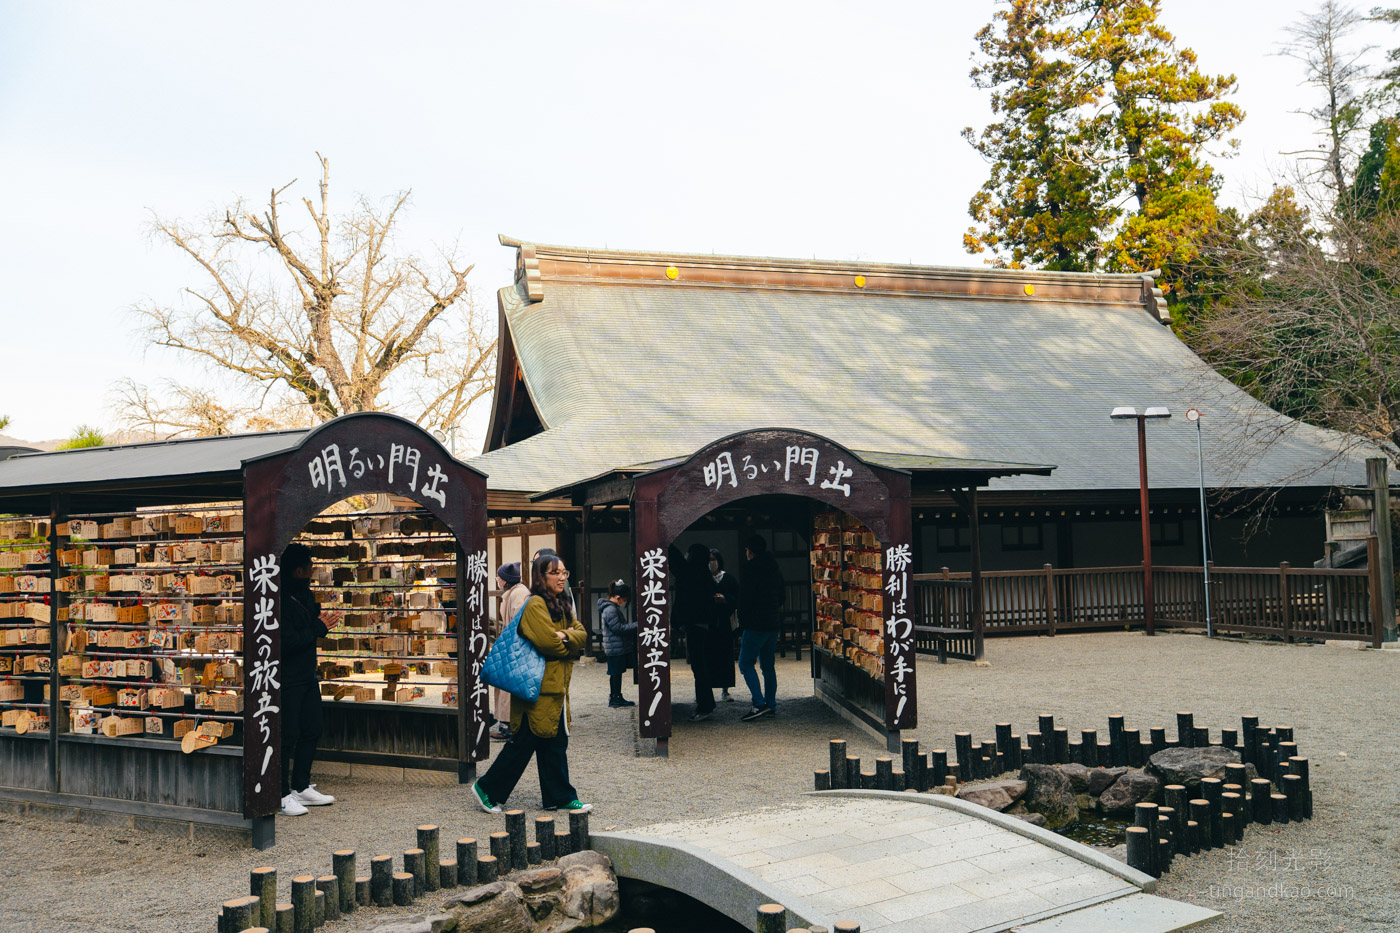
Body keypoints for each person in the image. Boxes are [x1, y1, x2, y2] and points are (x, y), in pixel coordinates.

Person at [472, 553, 591, 814]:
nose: (562, 577)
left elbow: (582, 632)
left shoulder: (561, 603)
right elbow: (549, 644)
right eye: (555, 573)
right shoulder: (535, 604)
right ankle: (487, 788)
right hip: (537, 687)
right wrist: (568, 645)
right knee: (524, 744)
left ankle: (558, 797)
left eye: (564, 572)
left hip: (555, 688)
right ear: (542, 576)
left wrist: (566, 637)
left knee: (555, 743)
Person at [279, 542, 340, 815]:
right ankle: (280, 794)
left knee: (312, 728)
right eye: (310, 567)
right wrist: (319, 626)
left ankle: (301, 786)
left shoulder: (304, 594)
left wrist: (319, 622)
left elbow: (309, 629)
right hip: (287, 677)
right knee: (286, 735)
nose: (313, 572)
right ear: (299, 569)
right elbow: (287, 641)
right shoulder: (278, 598)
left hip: (307, 673)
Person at [670, 542, 721, 721]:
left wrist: (664, 542)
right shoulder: (704, 573)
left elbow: (676, 562)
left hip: (696, 625)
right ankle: (706, 702)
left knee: (699, 667)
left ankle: (705, 705)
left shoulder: (691, 572)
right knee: (702, 666)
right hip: (706, 625)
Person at [738, 534, 785, 722]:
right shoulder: (774, 568)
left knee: (745, 663)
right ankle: (771, 704)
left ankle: (759, 703)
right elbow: (782, 596)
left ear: (751, 551)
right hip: (772, 622)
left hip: (755, 624)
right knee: (768, 666)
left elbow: (745, 599)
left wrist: (743, 620)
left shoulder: (750, 569)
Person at [491, 562, 530, 741]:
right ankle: (506, 723)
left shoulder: (518, 594)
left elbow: (519, 622)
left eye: (499, 577)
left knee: (508, 688)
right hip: (511, 644)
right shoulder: (515, 592)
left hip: (515, 646)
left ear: (505, 579)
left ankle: (508, 726)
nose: (497, 580)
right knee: (505, 686)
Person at [598, 580, 636, 708]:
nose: (623, 603)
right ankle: (615, 698)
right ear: (618, 597)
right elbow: (618, 628)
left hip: (614, 646)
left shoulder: (610, 608)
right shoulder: (610, 609)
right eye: (624, 600)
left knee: (616, 673)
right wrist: (636, 625)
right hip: (615, 647)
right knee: (615, 673)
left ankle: (616, 696)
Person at [708, 549, 739, 702]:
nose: (711, 563)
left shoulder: (729, 579)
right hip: (709, 623)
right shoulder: (703, 579)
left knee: (726, 655)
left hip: (725, 622)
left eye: (713, 559)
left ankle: (725, 689)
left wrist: (725, 599)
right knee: (707, 657)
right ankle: (705, 689)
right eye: (709, 560)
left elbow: (737, 597)